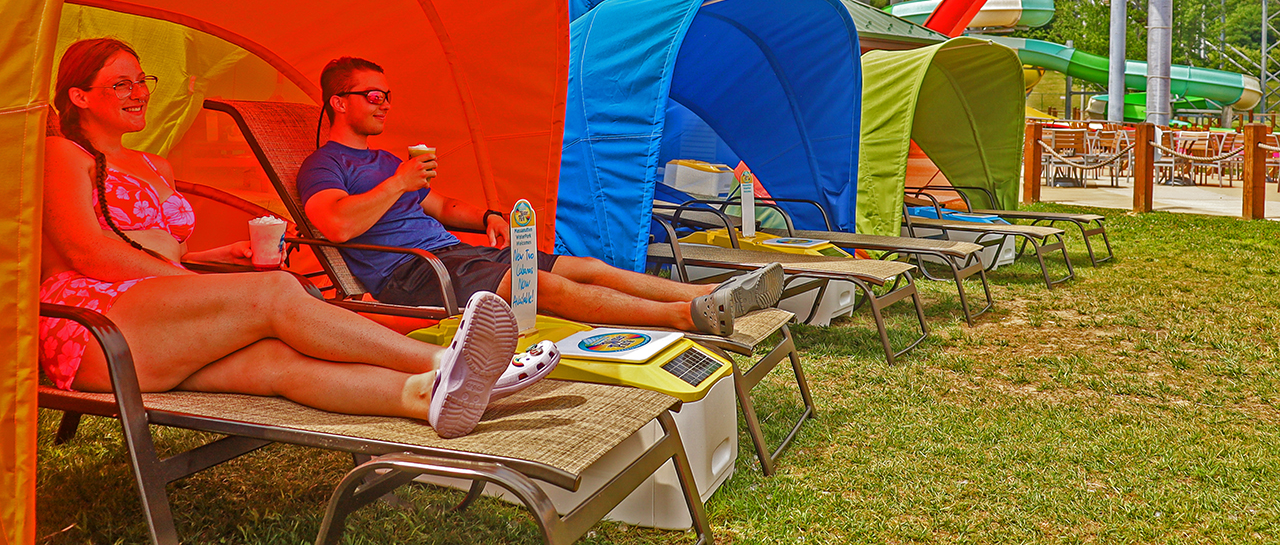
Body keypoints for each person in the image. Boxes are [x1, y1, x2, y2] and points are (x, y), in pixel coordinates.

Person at [40, 38, 558, 438]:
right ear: (79, 96)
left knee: (277, 364)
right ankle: (449, 364)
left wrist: (208, 258)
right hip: (92, 325)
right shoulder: (64, 154)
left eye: (141, 80)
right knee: (275, 291)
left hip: (154, 318)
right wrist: (191, 283)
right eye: (121, 85)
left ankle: (423, 397)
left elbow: (159, 246)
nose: (139, 93)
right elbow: (89, 250)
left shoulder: (157, 164)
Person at [298, 57, 785, 337]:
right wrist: (399, 183)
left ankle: (710, 294)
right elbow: (336, 225)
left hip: (452, 254)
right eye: (373, 96)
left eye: (388, 95)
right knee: (540, 286)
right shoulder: (324, 165)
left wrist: (488, 216)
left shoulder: (387, 160)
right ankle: (686, 317)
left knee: (585, 266)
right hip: (410, 275)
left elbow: (440, 207)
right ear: (339, 102)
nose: (385, 104)